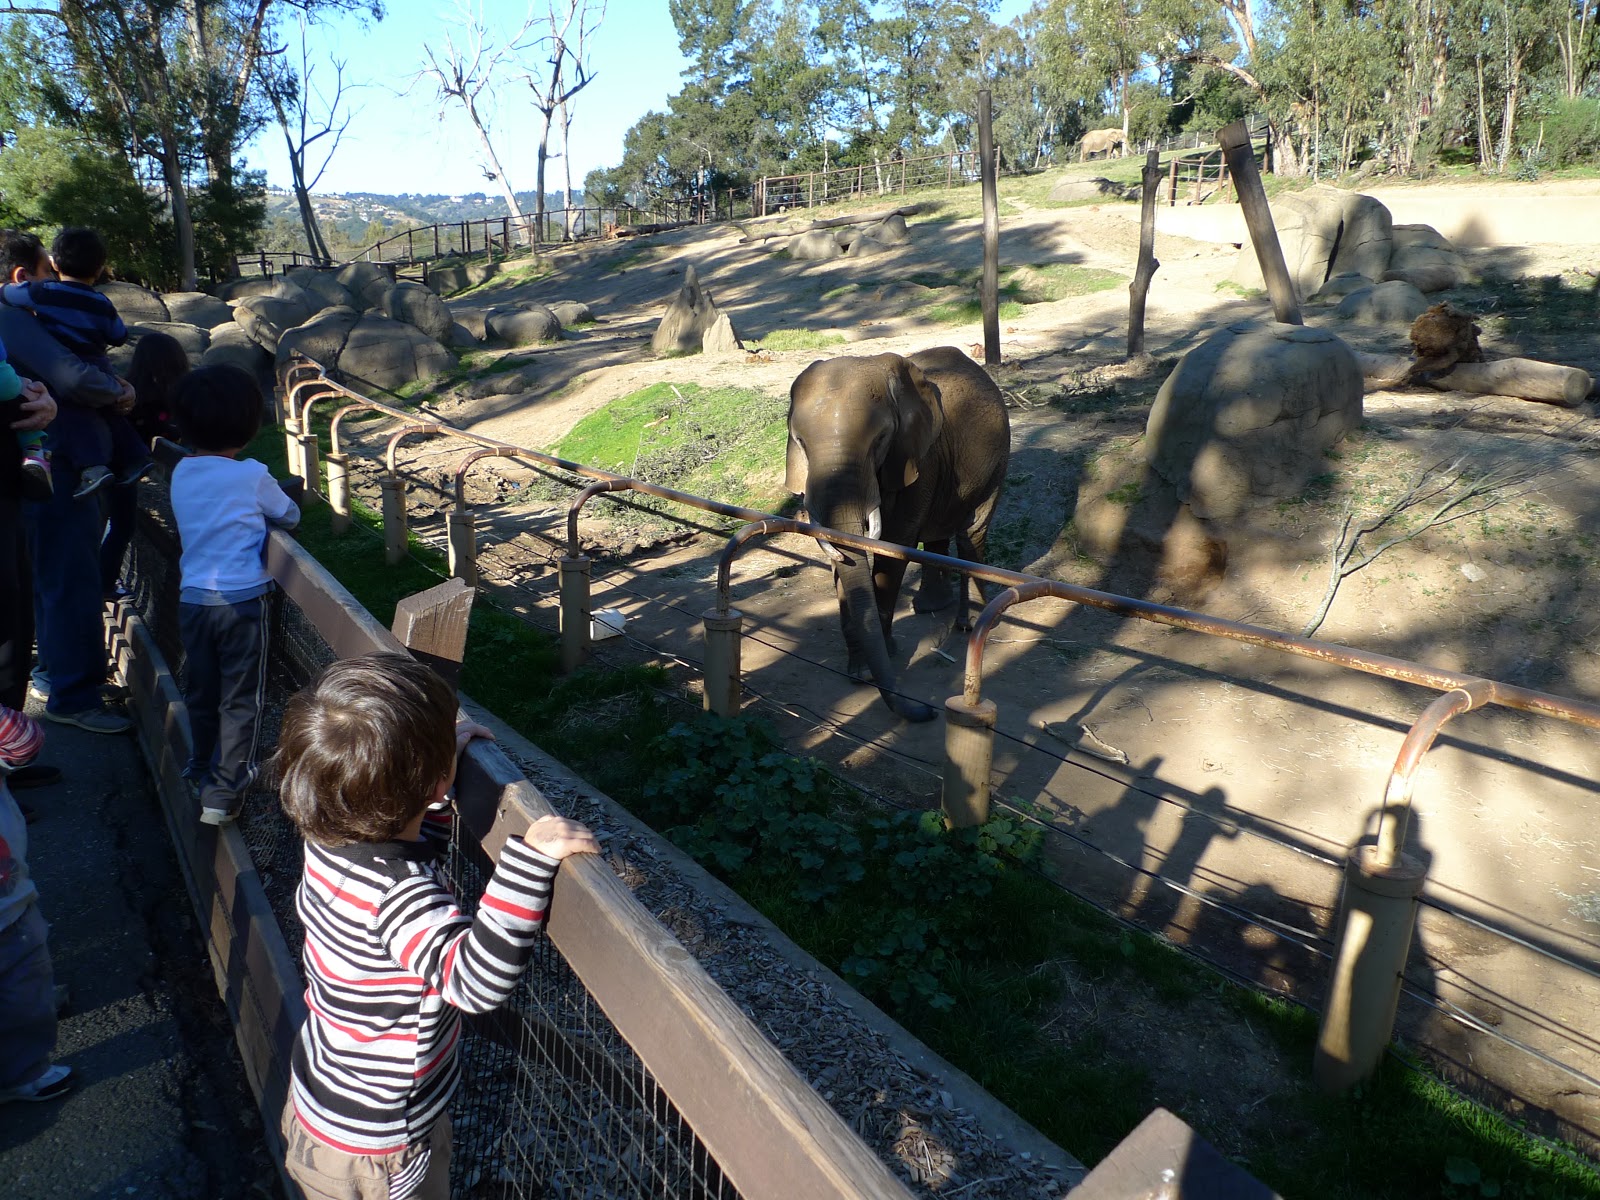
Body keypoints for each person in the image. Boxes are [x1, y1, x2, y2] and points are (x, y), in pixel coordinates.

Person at [276, 653, 599, 1200]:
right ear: (431, 780)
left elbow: (405, 833)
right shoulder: (397, 897)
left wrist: (434, 779)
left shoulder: (329, 836)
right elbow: (473, 982)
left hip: (324, 1098)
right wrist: (528, 864)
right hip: (382, 1147)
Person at [1, 228, 136, 735]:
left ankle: (53, 673)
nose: (54, 286)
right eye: (46, 275)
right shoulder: (13, 318)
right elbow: (73, 376)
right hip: (61, 467)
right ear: (22, 276)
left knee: (43, 576)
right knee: (71, 579)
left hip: (38, 466)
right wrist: (119, 391)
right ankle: (75, 696)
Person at [170, 364, 300, 826]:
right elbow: (289, 515)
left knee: (203, 688)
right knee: (242, 697)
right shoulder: (251, 475)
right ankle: (225, 790)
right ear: (248, 425)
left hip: (193, 600)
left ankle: (200, 765)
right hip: (242, 601)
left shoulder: (181, 472)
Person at [1, 226, 150, 498]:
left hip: (81, 382)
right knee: (97, 411)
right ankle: (131, 458)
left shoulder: (42, 294)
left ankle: (97, 466)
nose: (51, 276)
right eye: (46, 270)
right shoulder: (100, 301)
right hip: (96, 365)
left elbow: (8, 293)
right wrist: (117, 389)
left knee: (78, 411)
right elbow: (84, 370)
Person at [0, 700, 72, 1104]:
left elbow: (23, 741)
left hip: (9, 909)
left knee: (25, 987)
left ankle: (23, 1072)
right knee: (22, 986)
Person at [100, 332, 189, 600]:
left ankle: (98, 581)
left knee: (103, 524)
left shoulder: (126, 390)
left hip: (104, 466)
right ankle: (103, 584)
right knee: (122, 526)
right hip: (123, 471)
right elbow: (165, 434)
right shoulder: (158, 399)